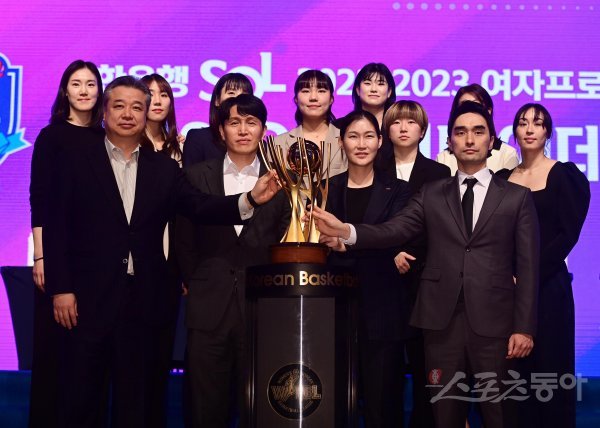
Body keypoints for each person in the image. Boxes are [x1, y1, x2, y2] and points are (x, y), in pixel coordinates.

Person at [42, 76, 279, 428]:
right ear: (104, 112)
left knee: (139, 402)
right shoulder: (75, 161)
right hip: (87, 300)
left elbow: (200, 206)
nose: (128, 114)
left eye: (137, 107)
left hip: (146, 301)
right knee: (81, 400)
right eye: (119, 106)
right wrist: (61, 288)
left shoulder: (165, 168)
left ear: (145, 113)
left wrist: (249, 201)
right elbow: (57, 226)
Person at [312, 101, 539, 428]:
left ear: (491, 141)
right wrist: (347, 231)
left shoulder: (516, 197)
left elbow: (528, 268)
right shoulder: (432, 193)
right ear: (450, 141)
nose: (470, 139)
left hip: (497, 324)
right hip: (440, 323)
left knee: (500, 414)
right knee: (444, 415)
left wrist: (524, 327)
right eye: (461, 132)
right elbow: (394, 230)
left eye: (478, 132)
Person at [176, 94, 290, 427]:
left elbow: (284, 240)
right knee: (205, 408)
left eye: (251, 122)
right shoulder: (195, 175)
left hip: (261, 310)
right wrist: (195, 281)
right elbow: (184, 238)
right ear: (221, 130)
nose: (243, 130)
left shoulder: (282, 181)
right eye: (234, 122)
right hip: (207, 306)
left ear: (264, 131)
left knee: (260, 407)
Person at [497, 104, 590, 428]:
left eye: (537, 123)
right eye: (523, 123)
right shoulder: (503, 179)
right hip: (508, 290)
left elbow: (568, 234)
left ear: (547, 132)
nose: (529, 129)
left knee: (551, 372)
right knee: (514, 381)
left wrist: (527, 274)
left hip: (549, 287)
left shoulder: (564, 175)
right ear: (514, 131)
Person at [28, 59, 105, 428]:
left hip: (98, 263)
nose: (84, 91)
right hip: (57, 257)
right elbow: (39, 198)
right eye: (77, 83)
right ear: (65, 91)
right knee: (54, 355)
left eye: (91, 84)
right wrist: (41, 256)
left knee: (89, 361)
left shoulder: (108, 138)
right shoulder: (51, 137)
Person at [327, 110, 411, 427]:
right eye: (353, 136)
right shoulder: (326, 189)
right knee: (334, 405)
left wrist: (345, 245)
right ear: (341, 142)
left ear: (379, 141)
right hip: (335, 314)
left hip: (384, 312)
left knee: (383, 408)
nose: (361, 144)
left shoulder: (399, 190)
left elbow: (392, 237)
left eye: (368, 136)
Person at [379, 100, 451, 428]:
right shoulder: (372, 167)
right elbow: (368, 220)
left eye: (411, 122)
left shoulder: (439, 173)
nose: (404, 128)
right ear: (387, 130)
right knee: (386, 371)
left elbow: (440, 225)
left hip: (424, 278)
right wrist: (392, 250)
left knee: (427, 367)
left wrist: (409, 252)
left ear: (423, 131)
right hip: (382, 276)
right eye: (397, 122)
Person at [273, 69, 346, 177]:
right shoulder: (278, 144)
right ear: (296, 99)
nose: (313, 98)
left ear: (331, 99)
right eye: (306, 91)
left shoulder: (346, 140)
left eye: (321, 91)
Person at [436, 83, 519, 174]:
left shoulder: (507, 154)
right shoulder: (443, 158)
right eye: (464, 105)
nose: (469, 141)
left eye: (476, 105)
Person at [182, 73, 253, 168]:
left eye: (244, 95)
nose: (238, 99)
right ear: (217, 100)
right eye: (231, 93)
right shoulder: (198, 138)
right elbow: (190, 175)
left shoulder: (257, 142)